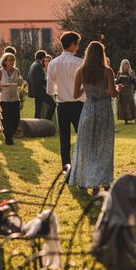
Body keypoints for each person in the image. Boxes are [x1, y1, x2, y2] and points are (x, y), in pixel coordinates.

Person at [69, 41, 118, 194]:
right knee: (104, 147)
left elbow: (75, 95)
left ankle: (92, 184)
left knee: (88, 147)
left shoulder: (81, 71)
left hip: (88, 110)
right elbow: (112, 93)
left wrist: (86, 86)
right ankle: (104, 183)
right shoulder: (107, 71)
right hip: (104, 109)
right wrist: (117, 88)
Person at [47, 31, 85, 168]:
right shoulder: (80, 63)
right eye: (77, 44)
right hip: (79, 105)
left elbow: (49, 91)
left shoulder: (52, 63)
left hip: (62, 106)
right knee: (82, 139)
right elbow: (85, 86)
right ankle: (81, 169)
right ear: (72, 44)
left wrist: (61, 89)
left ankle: (66, 170)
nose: (78, 47)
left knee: (64, 141)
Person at [0, 52, 22, 145]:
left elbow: (19, 81)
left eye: (13, 60)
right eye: (9, 60)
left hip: (15, 98)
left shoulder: (17, 71)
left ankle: (9, 135)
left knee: (16, 119)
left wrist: (20, 80)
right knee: (6, 119)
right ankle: (8, 137)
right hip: (4, 99)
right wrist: (3, 85)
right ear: (5, 61)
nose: (11, 62)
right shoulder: (1, 71)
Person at [28, 49, 55, 120]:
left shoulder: (32, 65)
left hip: (35, 91)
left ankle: (37, 125)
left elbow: (28, 79)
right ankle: (47, 121)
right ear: (43, 57)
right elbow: (40, 80)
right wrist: (49, 80)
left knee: (38, 110)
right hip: (40, 91)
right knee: (53, 104)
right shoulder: (39, 66)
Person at [115, 59, 136, 124]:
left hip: (129, 91)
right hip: (122, 91)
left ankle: (135, 120)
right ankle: (126, 120)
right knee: (123, 105)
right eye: (125, 64)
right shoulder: (119, 72)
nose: (126, 65)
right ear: (122, 65)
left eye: (127, 64)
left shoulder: (131, 72)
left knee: (131, 104)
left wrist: (130, 76)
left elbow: (135, 81)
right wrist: (119, 79)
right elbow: (117, 82)